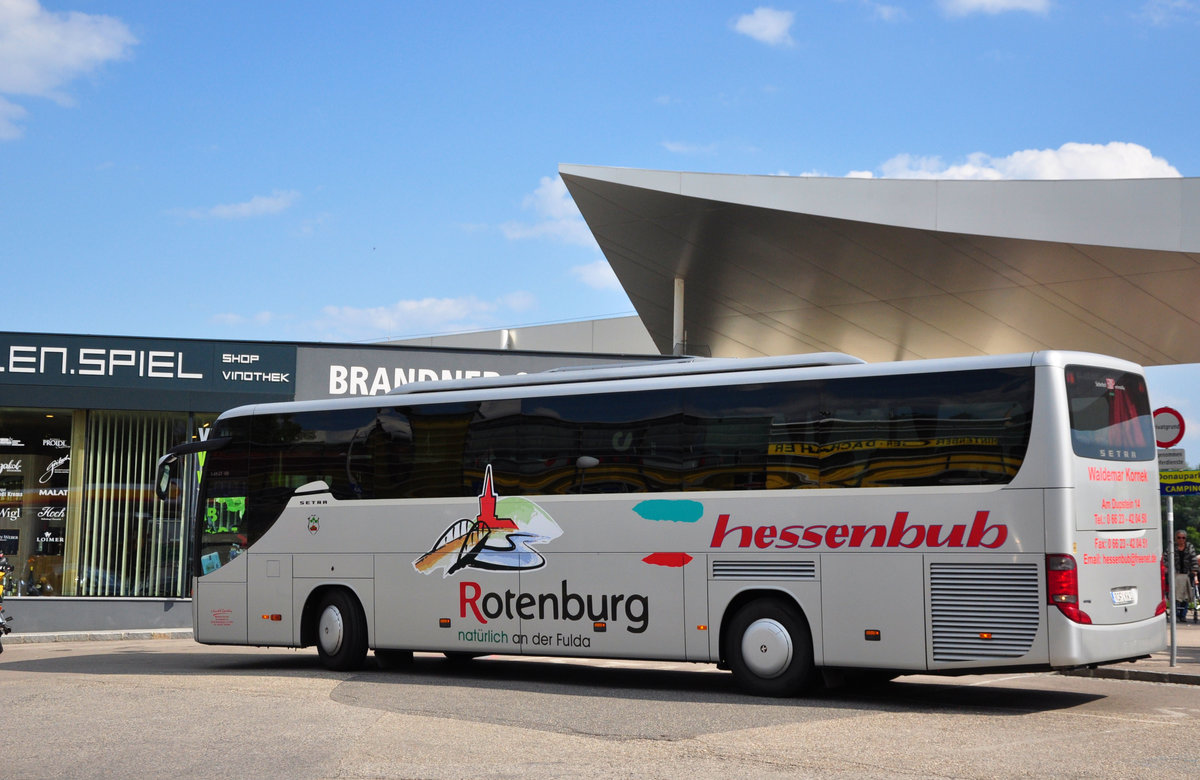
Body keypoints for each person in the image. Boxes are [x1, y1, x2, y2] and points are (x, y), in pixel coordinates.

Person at [1170, 530, 1199, 622]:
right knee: (1176, 595)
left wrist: (1194, 570)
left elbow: (1193, 559)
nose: (1181, 540)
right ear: (1176, 538)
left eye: (1183, 538)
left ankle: (1183, 615)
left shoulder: (1189, 547)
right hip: (1175, 574)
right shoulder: (1172, 547)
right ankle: (1176, 614)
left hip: (1187, 574)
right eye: (1179, 537)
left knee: (1186, 595)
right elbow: (1167, 559)